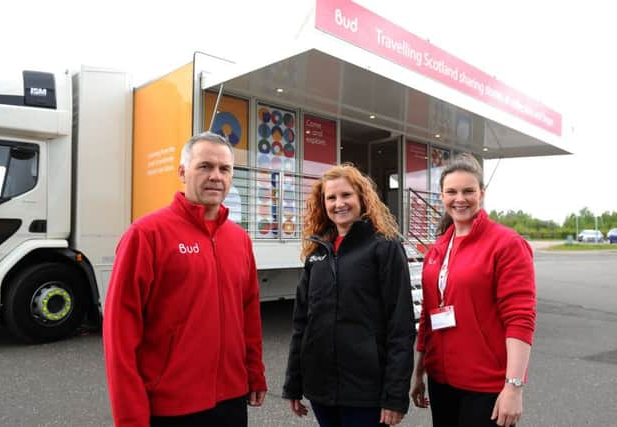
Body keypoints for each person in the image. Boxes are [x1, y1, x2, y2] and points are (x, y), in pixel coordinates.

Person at [103, 132, 267, 427]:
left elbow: (249, 313)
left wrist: (254, 373)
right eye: (205, 166)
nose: (216, 176)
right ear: (182, 172)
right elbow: (120, 335)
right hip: (171, 408)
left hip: (232, 400)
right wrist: (130, 418)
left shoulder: (239, 240)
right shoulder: (146, 234)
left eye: (224, 169)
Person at [282, 164, 416, 427]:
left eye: (346, 195)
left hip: (367, 393)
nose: (339, 203)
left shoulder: (384, 248)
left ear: (362, 199)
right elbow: (302, 324)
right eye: (331, 197)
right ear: (323, 204)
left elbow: (400, 327)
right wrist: (293, 384)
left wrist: (394, 396)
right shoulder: (317, 253)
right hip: (322, 390)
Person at [410, 154, 536, 427]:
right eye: (451, 192)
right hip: (441, 381)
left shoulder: (506, 244)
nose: (460, 198)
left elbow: (520, 319)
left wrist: (513, 387)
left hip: (486, 386)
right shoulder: (437, 249)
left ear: (482, 193)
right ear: (441, 196)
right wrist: (418, 371)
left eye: (468, 191)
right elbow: (428, 317)